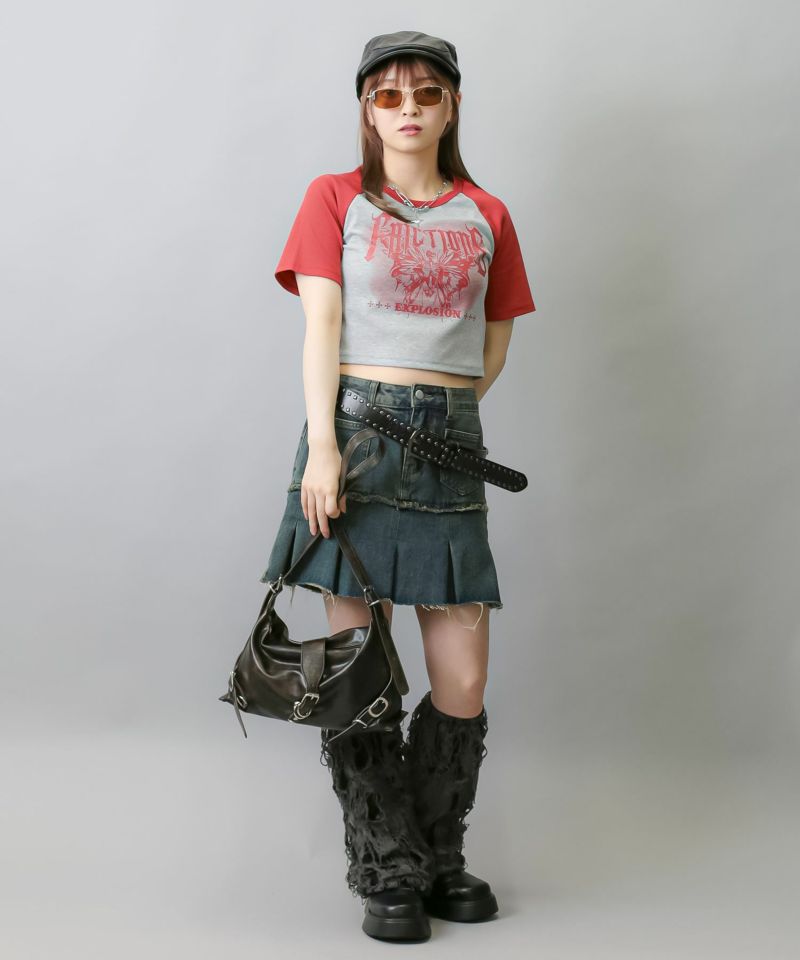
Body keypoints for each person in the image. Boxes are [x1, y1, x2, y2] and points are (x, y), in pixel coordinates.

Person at [260, 30, 536, 942]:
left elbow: (494, 340)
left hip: (448, 441)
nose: (407, 109)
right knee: (363, 670)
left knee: (464, 677)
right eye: (388, 95)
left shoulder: (487, 212)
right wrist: (324, 446)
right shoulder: (334, 197)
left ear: (452, 107)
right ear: (367, 110)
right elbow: (321, 327)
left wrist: (441, 416)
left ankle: (436, 850)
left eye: (426, 94)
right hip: (354, 440)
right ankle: (387, 863)